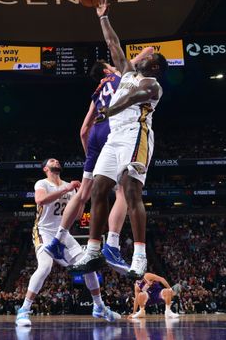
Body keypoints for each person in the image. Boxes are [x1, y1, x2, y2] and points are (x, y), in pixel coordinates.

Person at [72, 0, 167, 279]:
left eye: (148, 57)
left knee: (131, 191)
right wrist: (102, 17)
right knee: (99, 190)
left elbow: (130, 100)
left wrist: (107, 110)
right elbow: (113, 44)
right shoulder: (126, 71)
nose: (143, 57)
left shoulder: (152, 85)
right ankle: (92, 250)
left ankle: (139, 255)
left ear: (155, 67)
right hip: (115, 137)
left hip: (136, 137)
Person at [45, 47, 155, 275]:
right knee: (124, 192)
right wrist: (146, 52)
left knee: (86, 193)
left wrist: (90, 157)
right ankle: (112, 244)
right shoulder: (119, 76)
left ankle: (58, 239)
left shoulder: (98, 89)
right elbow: (129, 62)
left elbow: (84, 128)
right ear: (107, 68)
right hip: (113, 127)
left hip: (94, 134)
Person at [15, 158, 120, 327]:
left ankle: (99, 306)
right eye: (52, 160)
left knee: (89, 266)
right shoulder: (42, 183)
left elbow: (77, 217)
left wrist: (81, 198)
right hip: (44, 232)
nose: (56, 161)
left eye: (57, 160)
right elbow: (40, 200)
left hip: (64, 234)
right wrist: (67, 188)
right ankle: (24, 310)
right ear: (45, 168)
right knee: (45, 267)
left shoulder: (69, 186)